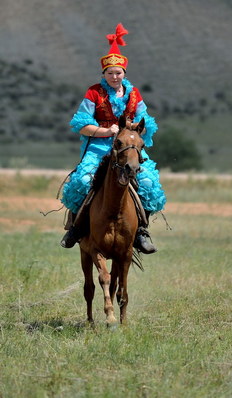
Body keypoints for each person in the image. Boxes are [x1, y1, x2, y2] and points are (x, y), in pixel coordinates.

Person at [60, 23, 166, 254]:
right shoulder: (93, 93)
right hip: (99, 145)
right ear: (104, 74)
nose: (114, 76)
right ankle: (76, 227)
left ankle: (141, 232)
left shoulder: (134, 94)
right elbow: (81, 124)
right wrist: (106, 131)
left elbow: (145, 121)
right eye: (110, 73)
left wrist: (134, 130)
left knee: (148, 182)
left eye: (118, 73)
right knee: (83, 180)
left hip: (128, 146)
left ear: (124, 74)